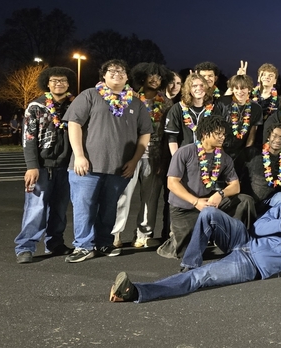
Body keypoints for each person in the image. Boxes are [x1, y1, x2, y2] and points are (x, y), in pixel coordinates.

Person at [109, 189, 281, 303]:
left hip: (252, 265)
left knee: (201, 278)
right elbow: (259, 227)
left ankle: (135, 292)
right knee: (210, 213)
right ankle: (189, 264)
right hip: (245, 240)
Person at [63, 59, 153, 263]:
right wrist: (78, 155)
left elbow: (145, 133)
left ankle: (104, 241)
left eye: (121, 71)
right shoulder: (90, 95)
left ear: (127, 77)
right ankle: (83, 246)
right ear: (103, 76)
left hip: (119, 167)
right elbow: (74, 124)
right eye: (111, 71)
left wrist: (135, 160)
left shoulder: (136, 102)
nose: (117, 74)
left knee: (109, 207)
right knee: (84, 206)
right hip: (87, 166)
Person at [157, 115, 255, 260]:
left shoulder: (223, 157)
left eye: (223, 134)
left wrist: (220, 194)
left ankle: (239, 242)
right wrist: (196, 202)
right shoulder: (185, 152)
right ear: (205, 133)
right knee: (185, 253)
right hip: (184, 208)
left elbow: (235, 186)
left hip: (208, 203)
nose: (222, 137)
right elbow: (172, 183)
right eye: (218, 134)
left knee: (245, 200)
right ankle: (173, 241)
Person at [14, 67, 77, 263]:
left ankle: (55, 243)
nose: (59, 84)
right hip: (41, 166)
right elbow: (29, 138)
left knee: (59, 208)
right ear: (47, 84)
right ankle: (25, 247)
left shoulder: (74, 106)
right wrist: (32, 166)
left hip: (66, 166)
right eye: (54, 81)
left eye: (63, 81)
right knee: (36, 208)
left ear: (69, 83)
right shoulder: (36, 106)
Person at [119, 62, 172, 249]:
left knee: (150, 198)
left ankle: (143, 234)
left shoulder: (166, 103)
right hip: (131, 153)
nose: (155, 79)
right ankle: (115, 233)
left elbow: (168, 134)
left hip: (155, 154)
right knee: (122, 195)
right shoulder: (130, 98)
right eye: (151, 75)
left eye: (158, 77)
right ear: (142, 77)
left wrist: (164, 159)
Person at [218, 74, 261, 185]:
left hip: (240, 151)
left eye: (243, 88)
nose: (239, 91)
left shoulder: (256, 108)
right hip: (220, 148)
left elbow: (253, 132)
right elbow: (216, 126)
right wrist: (219, 149)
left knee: (236, 181)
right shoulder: (223, 102)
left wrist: (246, 154)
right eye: (236, 88)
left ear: (249, 89)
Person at [165, 72, 220, 154]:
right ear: (188, 89)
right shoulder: (178, 108)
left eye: (202, 85)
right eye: (194, 86)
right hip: (185, 156)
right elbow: (172, 137)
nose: (199, 88)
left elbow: (218, 135)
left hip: (208, 156)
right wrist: (176, 159)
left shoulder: (213, 109)